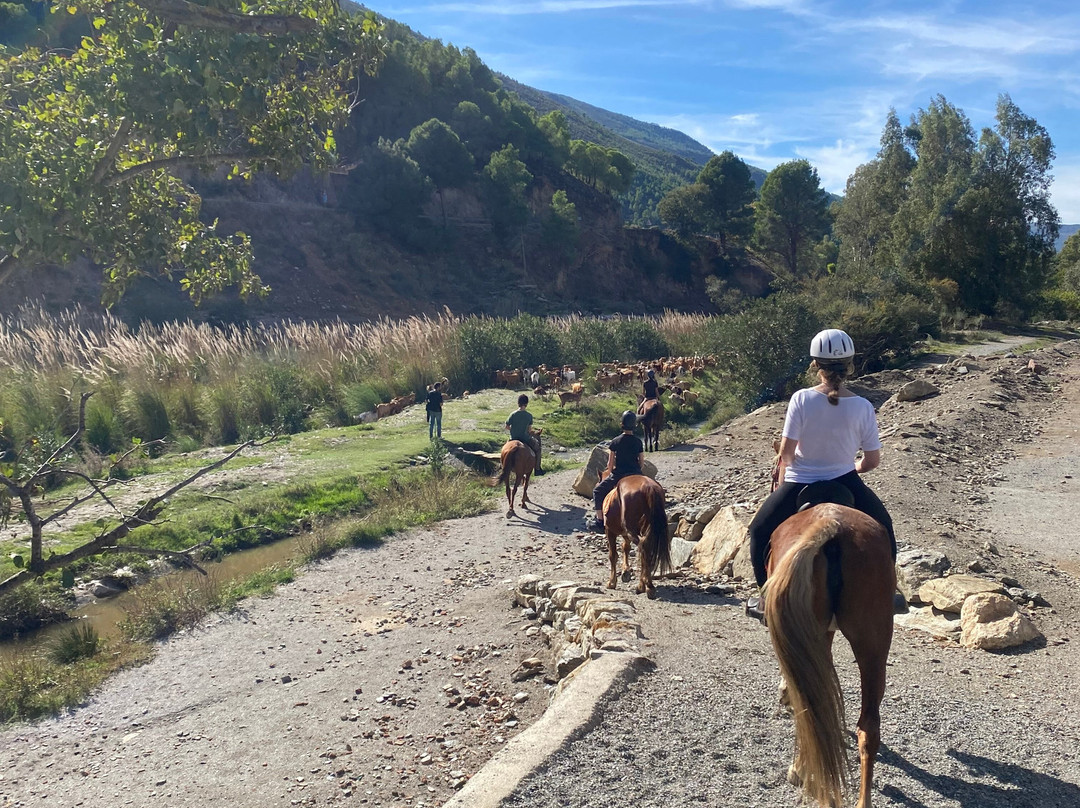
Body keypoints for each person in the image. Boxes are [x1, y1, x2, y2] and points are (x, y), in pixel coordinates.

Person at [745, 328, 896, 620]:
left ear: (815, 365)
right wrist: (853, 468)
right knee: (885, 527)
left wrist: (795, 462)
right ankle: (890, 593)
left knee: (759, 530)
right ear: (850, 365)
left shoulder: (801, 399)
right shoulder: (864, 406)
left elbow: (787, 455)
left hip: (799, 482)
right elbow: (872, 460)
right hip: (845, 480)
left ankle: (766, 598)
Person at [585, 410, 645, 532]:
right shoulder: (638, 442)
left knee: (597, 491)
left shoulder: (615, 441)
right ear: (635, 425)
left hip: (620, 474)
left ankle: (600, 522)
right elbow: (642, 463)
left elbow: (610, 464)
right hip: (636, 473)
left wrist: (610, 471)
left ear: (621, 424)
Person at [505, 394, 543, 475]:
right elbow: (529, 430)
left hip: (513, 438)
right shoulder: (529, 416)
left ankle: (502, 466)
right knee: (538, 449)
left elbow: (507, 427)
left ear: (518, 403)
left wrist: (514, 430)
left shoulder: (513, 414)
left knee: (505, 450)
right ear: (526, 404)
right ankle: (537, 469)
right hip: (525, 438)